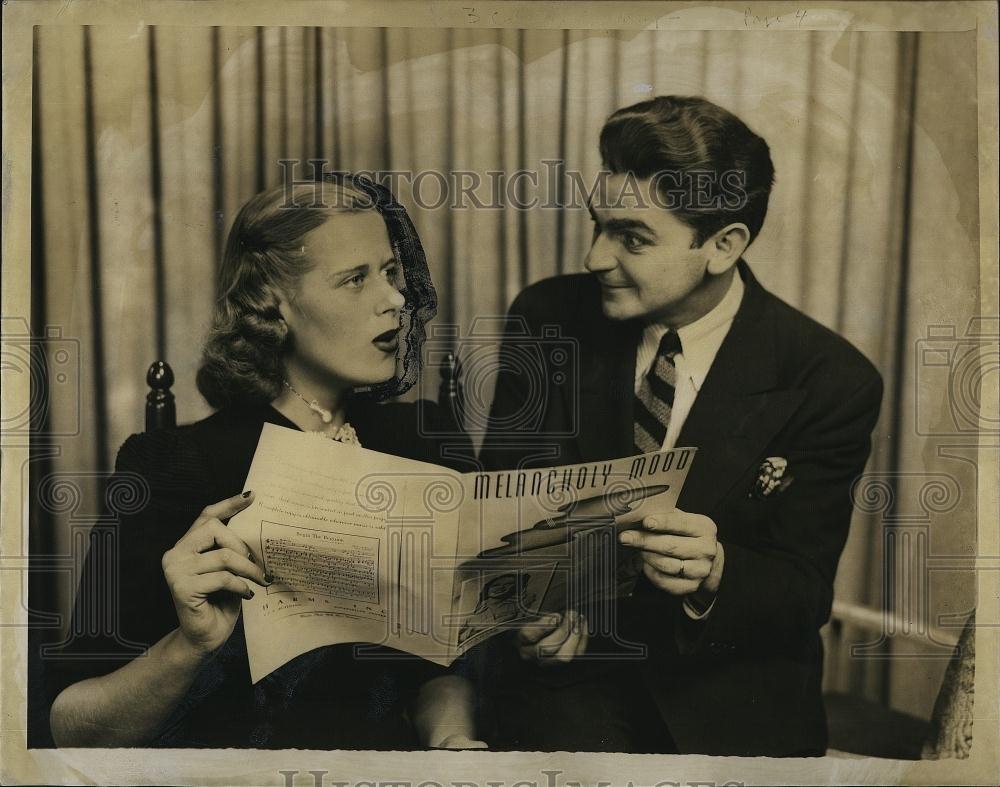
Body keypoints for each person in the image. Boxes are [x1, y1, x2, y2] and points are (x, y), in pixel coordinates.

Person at [478, 96, 883, 756]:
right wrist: (533, 610)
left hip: (734, 702)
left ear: (723, 246)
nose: (593, 258)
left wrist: (719, 570)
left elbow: (803, 589)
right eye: (597, 225)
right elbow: (499, 508)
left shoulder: (829, 378)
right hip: (568, 685)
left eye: (632, 238)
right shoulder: (548, 317)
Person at [47, 174, 484, 750]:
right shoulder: (173, 465)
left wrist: (451, 743)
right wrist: (190, 644)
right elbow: (73, 727)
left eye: (391, 272)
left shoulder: (423, 441)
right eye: (355, 280)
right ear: (273, 302)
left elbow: (439, 665)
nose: (396, 300)